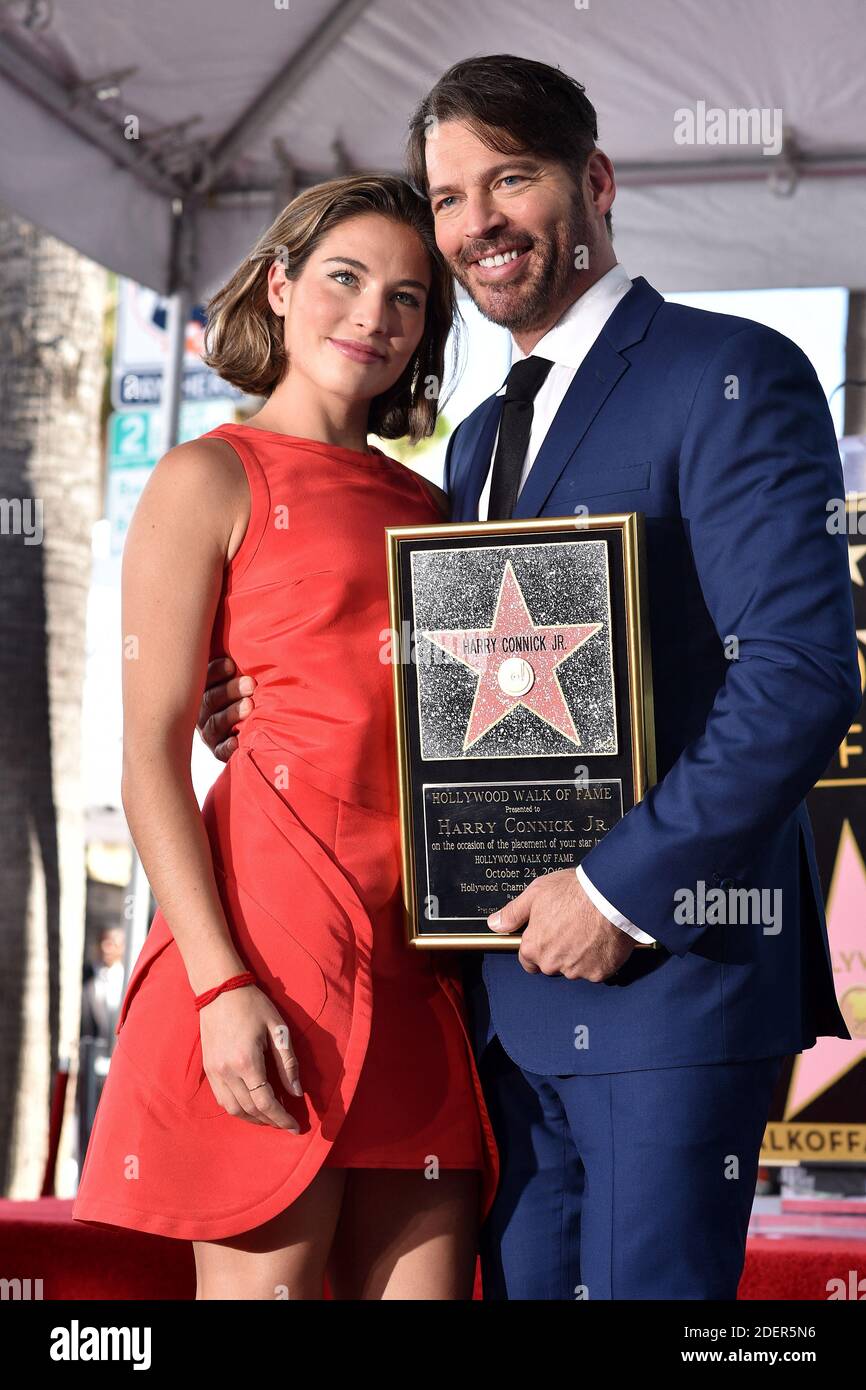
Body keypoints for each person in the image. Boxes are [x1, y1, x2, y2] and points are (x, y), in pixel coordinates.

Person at [200, 55, 861, 1300]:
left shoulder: (731, 372)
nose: (474, 224)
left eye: (510, 179)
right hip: (491, 1000)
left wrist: (615, 893)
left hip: (666, 983)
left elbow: (800, 674)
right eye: (448, 197)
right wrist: (269, 696)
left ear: (593, 182)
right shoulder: (478, 437)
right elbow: (469, 680)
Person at [72, 172, 500, 1301]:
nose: (372, 317)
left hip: (421, 966)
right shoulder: (205, 475)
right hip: (269, 955)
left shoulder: (437, 515)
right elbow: (148, 751)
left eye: (407, 299)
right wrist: (220, 988)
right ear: (279, 284)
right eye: (345, 279)